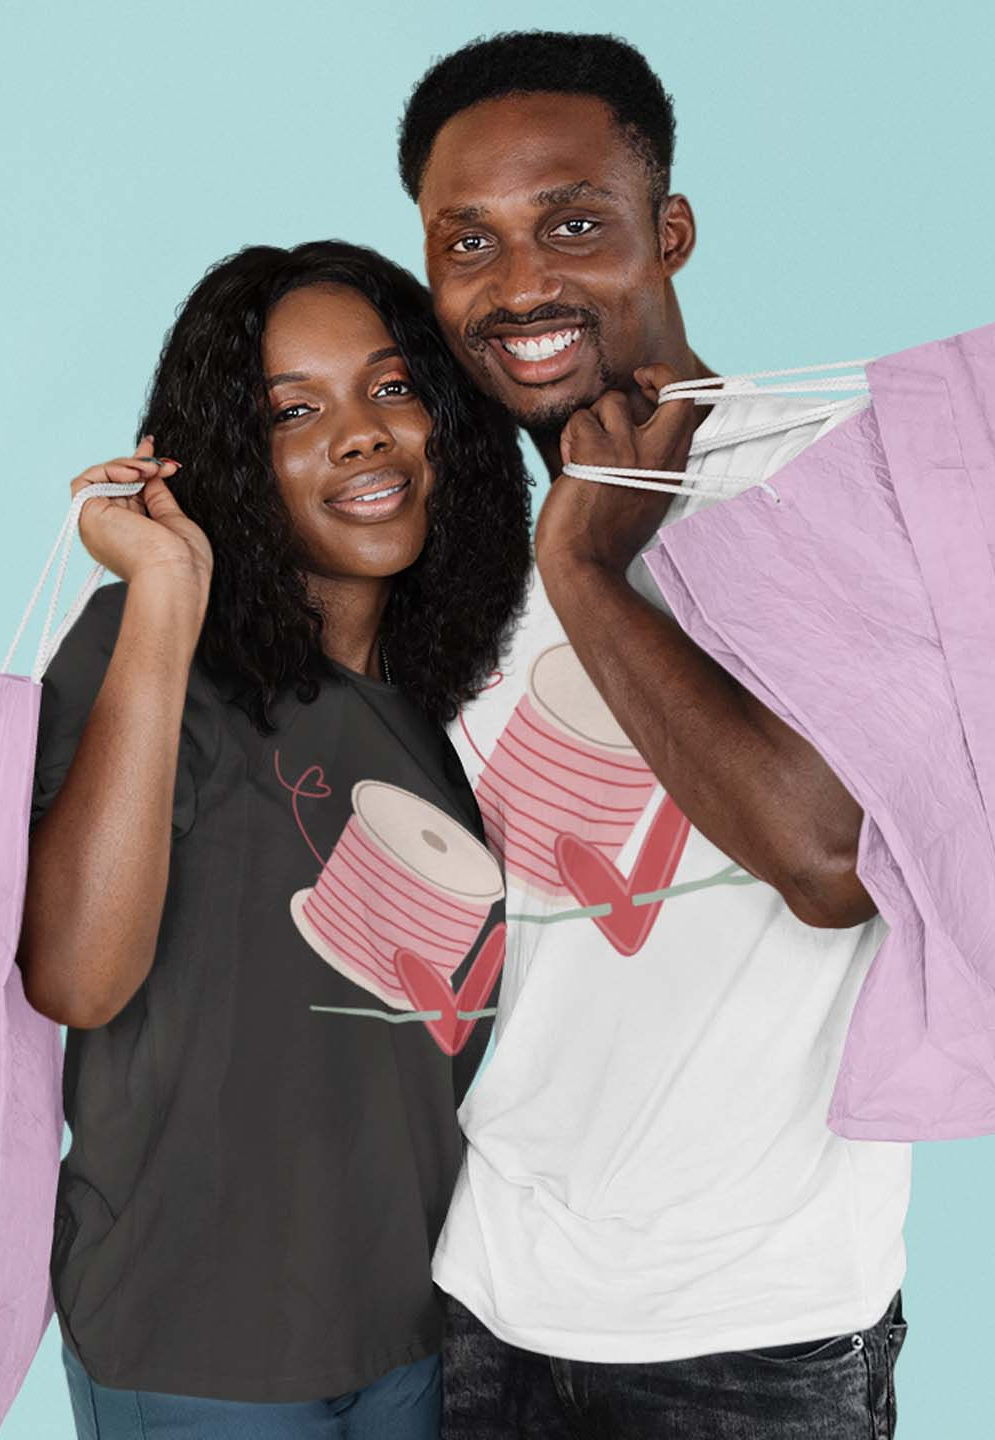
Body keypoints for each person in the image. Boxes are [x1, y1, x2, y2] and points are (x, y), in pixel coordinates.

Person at [396, 31, 912, 1438]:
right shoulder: (458, 532)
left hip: (754, 1327)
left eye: (573, 224)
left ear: (668, 231)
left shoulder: (826, 478)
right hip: (486, 1298)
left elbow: (833, 863)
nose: (521, 285)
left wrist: (588, 570)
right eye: (469, 242)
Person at [14, 239, 531, 1437]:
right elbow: (78, 978)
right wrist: (164, 593)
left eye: (393, 387)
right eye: (293, 412)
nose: (360, 435)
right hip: (193, 1340)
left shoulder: (458, 702)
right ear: (227, 457)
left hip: (417, 1333)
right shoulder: (145, 652)